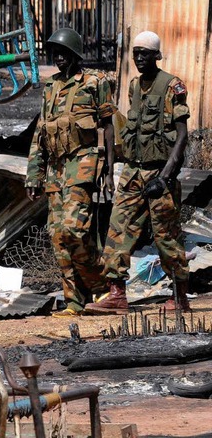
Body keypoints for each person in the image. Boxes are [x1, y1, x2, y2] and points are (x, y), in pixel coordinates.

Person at [86, 31, 191, 314]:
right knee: (118, 230)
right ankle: (117, 294)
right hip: (133, 173)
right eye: (136, 53)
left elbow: (181, 137)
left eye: (146, 53)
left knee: (166, 236)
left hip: (159, 174)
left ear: (157, 56)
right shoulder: (133, 86)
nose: (140, 58)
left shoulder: (171, 86)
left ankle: (180, 296)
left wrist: (165, 177)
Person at [25, 28, 116, 317]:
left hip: (84, 163)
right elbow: (41, 133)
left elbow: (109, 125)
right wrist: (33, 174)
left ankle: (100, 285)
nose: (59, 58)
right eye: (56, 54)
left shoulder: (95, 82)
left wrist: (110, 169)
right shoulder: (50, 87)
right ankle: (74, 300)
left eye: (64, 53)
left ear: (75, 54)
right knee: (57, 236)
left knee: (74, 229)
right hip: (56, 168)